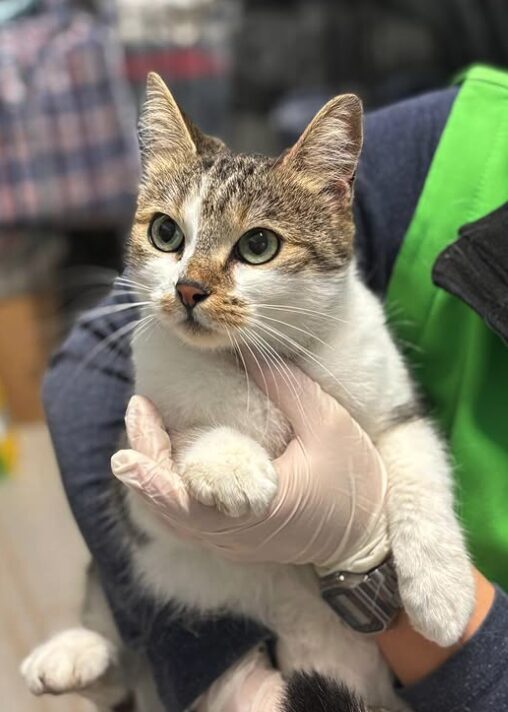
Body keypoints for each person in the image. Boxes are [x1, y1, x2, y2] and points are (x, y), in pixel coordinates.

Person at [42, 64, 508, 711]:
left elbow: (400, 426)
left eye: (254, 246)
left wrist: (374, 546)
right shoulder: (464, 137)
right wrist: (222, 677)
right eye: (168, 235)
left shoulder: (353, 337)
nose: (194, 284)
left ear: (333, 199)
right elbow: (81, 378)